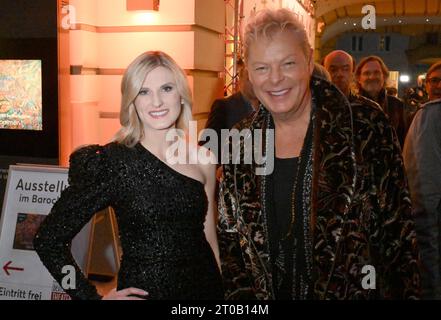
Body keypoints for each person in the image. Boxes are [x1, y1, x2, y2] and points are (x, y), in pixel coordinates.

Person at [218, 8, 420, 300]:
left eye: (288, 64)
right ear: (248, 72)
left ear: (309, 62)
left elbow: (399, 239)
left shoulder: (363, 126)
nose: (275, 79)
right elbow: (232, 248)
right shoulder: (240, 142)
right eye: (262, 68)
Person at [33, 51, 224, 300]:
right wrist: (89, 297)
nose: (156, 101)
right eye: (143, 91)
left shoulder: (203, 160)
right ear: (131, 100)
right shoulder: (111, 162)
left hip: (204, 292)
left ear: (181, 95)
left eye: (166, 88)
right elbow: (48, 240)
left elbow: (209, 237)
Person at [403, 60, 441, 299]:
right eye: (434, 80)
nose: (437, 85)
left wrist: (420, 212)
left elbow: (422, 174)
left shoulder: (428, 114)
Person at [201, 59, 257, 165]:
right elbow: (207, 149)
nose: (254, 82)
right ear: (240, 78)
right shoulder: (223, 106)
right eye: (249, 77)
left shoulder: (270, 108)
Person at [355, 56, 408, 146]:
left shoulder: (396, 104)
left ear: (384, 77)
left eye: (377, 73)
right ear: (359, 79)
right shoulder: (351, 105)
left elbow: (402, 139)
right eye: (366, 73)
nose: (372, 77)